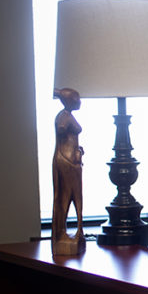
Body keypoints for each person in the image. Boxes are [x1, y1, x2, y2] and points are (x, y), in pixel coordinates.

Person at [52, 87, 85, 254]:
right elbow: (61, 129)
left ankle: (78, 229)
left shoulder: (67, 115)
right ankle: (62, 231)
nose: (80, 102)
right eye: (77, 99)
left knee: (75, 195)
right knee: (67, 195)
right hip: (66, 162)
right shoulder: (64, 116)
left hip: (72, 161)